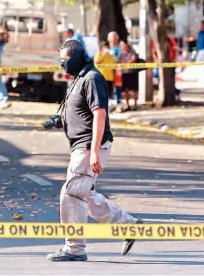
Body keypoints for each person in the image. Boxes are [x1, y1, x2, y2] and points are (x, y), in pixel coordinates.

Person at [46, 39, 141, 262]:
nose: (62, 64)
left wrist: (95, 151)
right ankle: (129, 226)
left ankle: (75, 249)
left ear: (78, 57)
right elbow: (82, 112)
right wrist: (60, 121)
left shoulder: (92, 78)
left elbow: (99, 114)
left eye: (65, 60)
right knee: (83, 195)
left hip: (89, 145)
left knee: (71, 193)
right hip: (83, 145)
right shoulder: (79, 78)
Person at [118, 41, 139, 111]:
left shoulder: (132, 52)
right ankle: (127, 105)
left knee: (134, 89)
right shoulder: (121, 53)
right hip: (124, 73)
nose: (123, 46)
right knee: (125, 90)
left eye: (124, 45)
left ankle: (135, 105)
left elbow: (133, 60)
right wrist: (127, 63)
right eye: (122, 45)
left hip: (132, 72)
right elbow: (118, 62)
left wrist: (125, 63)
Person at [107, 31, 123, 105]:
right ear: (109, 38)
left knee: (118, 84)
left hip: (118, 69)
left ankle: (118, 99)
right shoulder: (107, 48)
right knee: (109, 84)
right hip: (108, 70)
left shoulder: (121, 47)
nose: (114, 38)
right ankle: (110, 99)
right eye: (112, 37)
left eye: (115, 36)